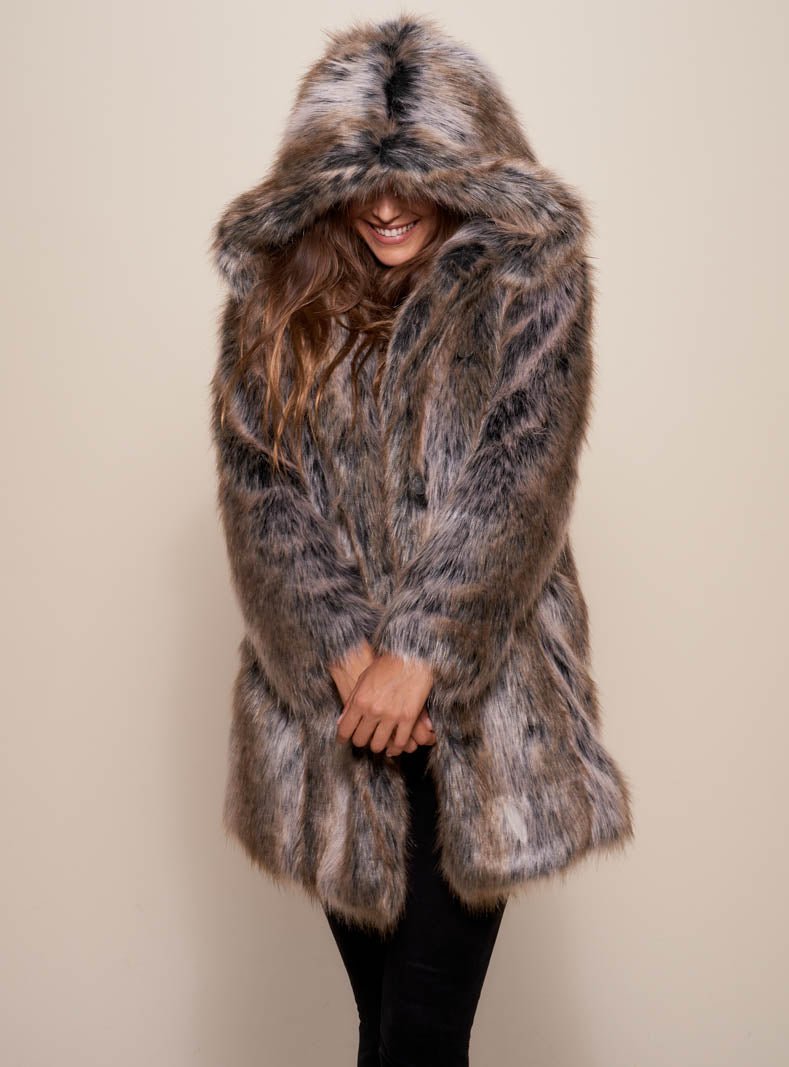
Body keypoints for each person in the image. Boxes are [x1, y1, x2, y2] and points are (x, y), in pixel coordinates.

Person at [209, 13, 634, 1067]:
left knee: (422, 1034)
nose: (389, 204)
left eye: (415, 174)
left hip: (478, 708)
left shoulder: (529, 289)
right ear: (325, 181)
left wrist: (420, 657)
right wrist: (340, 651)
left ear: (462, 169)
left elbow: (519, 478)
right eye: (361, 180)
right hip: (331, 710)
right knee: (381, 1030)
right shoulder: (272, 305)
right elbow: (259, 482)